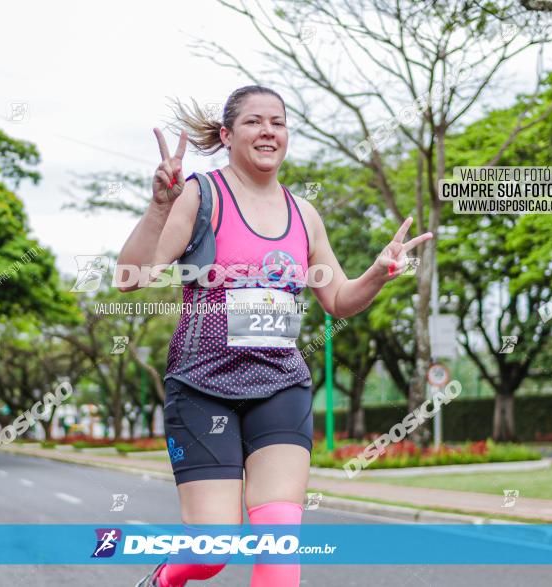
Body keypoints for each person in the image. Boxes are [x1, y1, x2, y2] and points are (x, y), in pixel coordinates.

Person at [119, 86, 432, 587]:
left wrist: (377, 271)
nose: (269, 131)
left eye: (279, 122)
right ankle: (164, 578)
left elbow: (338, 300)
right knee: (212, 552)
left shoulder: (304, 214)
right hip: (202, 389)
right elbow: (130, 276)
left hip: (280, 387)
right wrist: (159, 206)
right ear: (226, 135)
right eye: (254, 122)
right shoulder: (201, 196)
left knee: (279, 550)